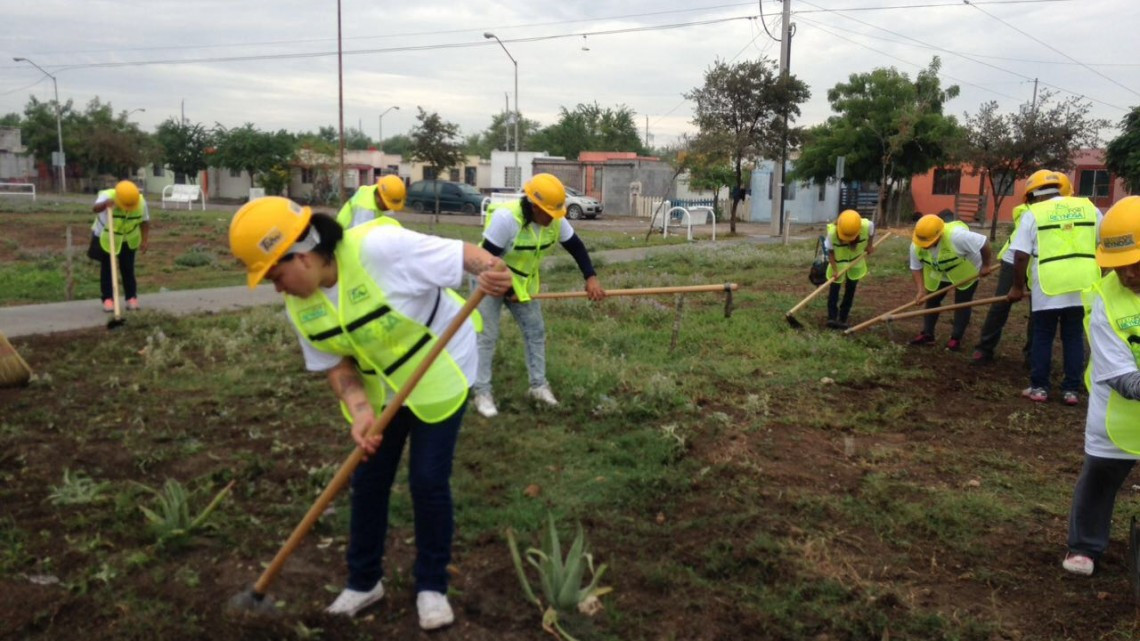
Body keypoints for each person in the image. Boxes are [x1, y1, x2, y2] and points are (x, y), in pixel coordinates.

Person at [228, 196, 512, 630]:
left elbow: (464, 256)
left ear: (301, 257)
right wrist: (359, 411)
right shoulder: (300, 306)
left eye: (274, 274)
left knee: (428, 480)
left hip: (439, 366)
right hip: (379, 389)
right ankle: (364, 583)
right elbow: (336, 364)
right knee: (368, 480)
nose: (276, 287)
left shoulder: (380, 248)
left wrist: (492, 270)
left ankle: (432, 587)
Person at [471, 173, 605, 419]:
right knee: (487, 336)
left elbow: (576, 246)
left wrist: (591, 277)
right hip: (488, 279)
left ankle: (538, 387)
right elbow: (487, 260)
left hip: (522, 283)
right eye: (548, 213)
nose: (554, 219)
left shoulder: (554, 218)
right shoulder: (506, 219)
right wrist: (507, 290)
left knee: (535, 332)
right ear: (534, 207)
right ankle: (482, 391)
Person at [1062, 196, 1140, 576]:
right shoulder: (1104, 301)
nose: (1128, 274)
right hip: (1117, 415)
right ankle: (1085, 546)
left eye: (1136, 265)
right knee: (1100, 477)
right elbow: (1123, 377)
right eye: (1120, 266)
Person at [1008, 169, 1102, 405]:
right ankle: (1071, 390)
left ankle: (1039, 388)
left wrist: (1017, 287)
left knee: (1043, 335)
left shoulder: (1035, 213)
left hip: (1049, 284)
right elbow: (1104, 241)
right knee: (1073, 336)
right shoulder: (1089, 208)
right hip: (1083, 283)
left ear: (1037, 195)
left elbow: (1020, 255)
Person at [908, 213, 992, 350]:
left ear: (939, 235)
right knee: (932, 300)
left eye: (928, 243)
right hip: (937, 270)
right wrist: (921, 290)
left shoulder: (957, 236)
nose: (924, 246)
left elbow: (984, 242)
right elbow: (916, 267)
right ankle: (927, 335)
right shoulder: (916, 244)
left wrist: (986, 265)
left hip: (964, 267)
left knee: (962, 303)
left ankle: (955, 338)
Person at [91, 180, 149, 311]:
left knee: (128, 268)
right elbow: (94, 209)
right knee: (107, 269)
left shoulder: (140, 201)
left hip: (129, 238)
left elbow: (145, 222)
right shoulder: (107, 196)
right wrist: (106, 205)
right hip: (107, 237)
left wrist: (145, 241)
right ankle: (108, 299)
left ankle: (131, 298)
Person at [824, 209, 875, 329]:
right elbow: (830, 252)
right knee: (834, 289)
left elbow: (872, 232)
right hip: (838, 263)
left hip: (855, 262)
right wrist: (835, 270)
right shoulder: (832, 233)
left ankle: (843, 318)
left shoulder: (867, 226)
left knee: (850, 289)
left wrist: (869, 245)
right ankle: (832, 317)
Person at [336, 174, 406, 228]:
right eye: (387, 205)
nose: (389, 208)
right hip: (346, 237)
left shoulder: (376, 190)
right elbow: (360, 237)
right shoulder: (365, 210)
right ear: (379, 198)